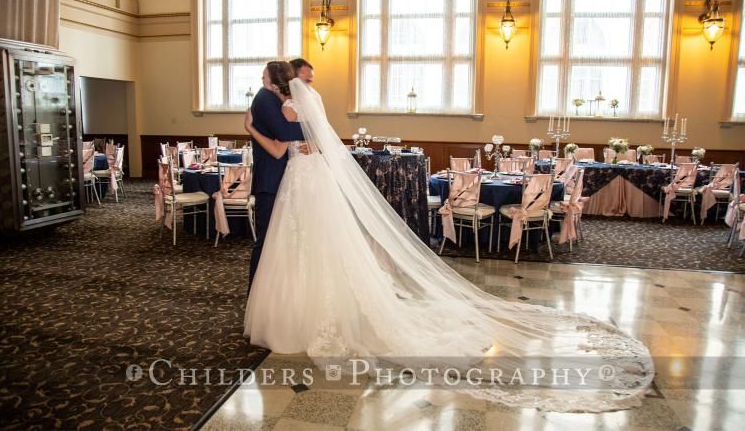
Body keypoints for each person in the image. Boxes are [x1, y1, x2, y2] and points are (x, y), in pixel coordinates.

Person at [243, 78, 654, 413]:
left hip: (299, 184)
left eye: (267, 79)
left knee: (299, 246)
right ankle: (322, 306)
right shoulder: (306, 117)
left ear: (279, 86)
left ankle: (297, 312)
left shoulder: (282, 113)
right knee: (320, 247)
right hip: (314, 184)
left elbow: (279, 148)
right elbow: (301, 145)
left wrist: (251, 129)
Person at [246, 61, 304, 292]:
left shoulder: (281, 103)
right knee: (265, 241)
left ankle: (274, 293)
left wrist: (314, 136)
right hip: (271, 181)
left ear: (275, 80)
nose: (261, 80)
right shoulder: (264, 98)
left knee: (282, 241)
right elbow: (282, 135)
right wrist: (315, 130)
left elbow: (283, 137)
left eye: (264, 76)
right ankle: (257, 294)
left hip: (283, 180)